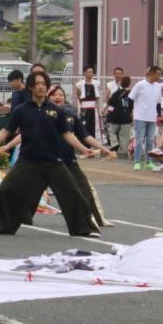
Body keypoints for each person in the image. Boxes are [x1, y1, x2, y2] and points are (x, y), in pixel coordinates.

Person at [0, 71, 100, 237]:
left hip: (54, 162)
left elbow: (66, 134)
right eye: (37, 83)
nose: (41, 86)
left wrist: (84, 149)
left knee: (72, 193)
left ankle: (84, 229)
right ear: (30, 87)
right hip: (28, 162)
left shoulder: (56, 111)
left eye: (43, 83)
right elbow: (6, 132)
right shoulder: (21, 110)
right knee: (6, 190)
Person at [44, 84, 115, 225]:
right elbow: (24, 135)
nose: (58, 97)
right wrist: (8, 146)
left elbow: (84, 136)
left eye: (61, 94)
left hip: (68, 159)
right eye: (54, 94)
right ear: (47, 97)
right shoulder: (42, 114)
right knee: (26, 190)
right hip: (45, 161)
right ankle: (16, 216)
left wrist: (102, 148)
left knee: (85, 187)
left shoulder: (70, 115)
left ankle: (98, 219)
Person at [128, 66, 163, 171]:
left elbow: (158, 103)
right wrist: (131, 112)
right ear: (152, 73)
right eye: (158, 74)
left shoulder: (158, 86)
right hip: (140, 117)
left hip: (152, 117)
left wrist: (159, 115)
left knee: (150, 141)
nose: (159, 76)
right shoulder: (140, 85)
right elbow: (130, 98)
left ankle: (149, 162)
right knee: (139, 140)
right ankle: (137, 162)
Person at [105, 75, 133, 156]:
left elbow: (110, 103)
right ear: (129, 83)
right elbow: (133, 105)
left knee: (111, 131)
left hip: (115, 117)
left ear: (121, 83)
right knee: (125, 136)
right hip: (126, 117)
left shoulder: (117, 92)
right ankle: (123, 153)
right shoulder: (132, 93)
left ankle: (114, 144)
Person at [74, 66, 100, 139]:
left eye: (92, 72)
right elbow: (79, 96)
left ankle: (94, 141)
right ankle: (85, 140)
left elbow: (97, 96)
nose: (90, 74)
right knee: (84, 124)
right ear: (84, 73)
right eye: (89, 72)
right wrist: (82, 104)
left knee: (94, 125)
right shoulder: (79, 84)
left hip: (94, 107)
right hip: (84, 107)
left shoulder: (97, 83)